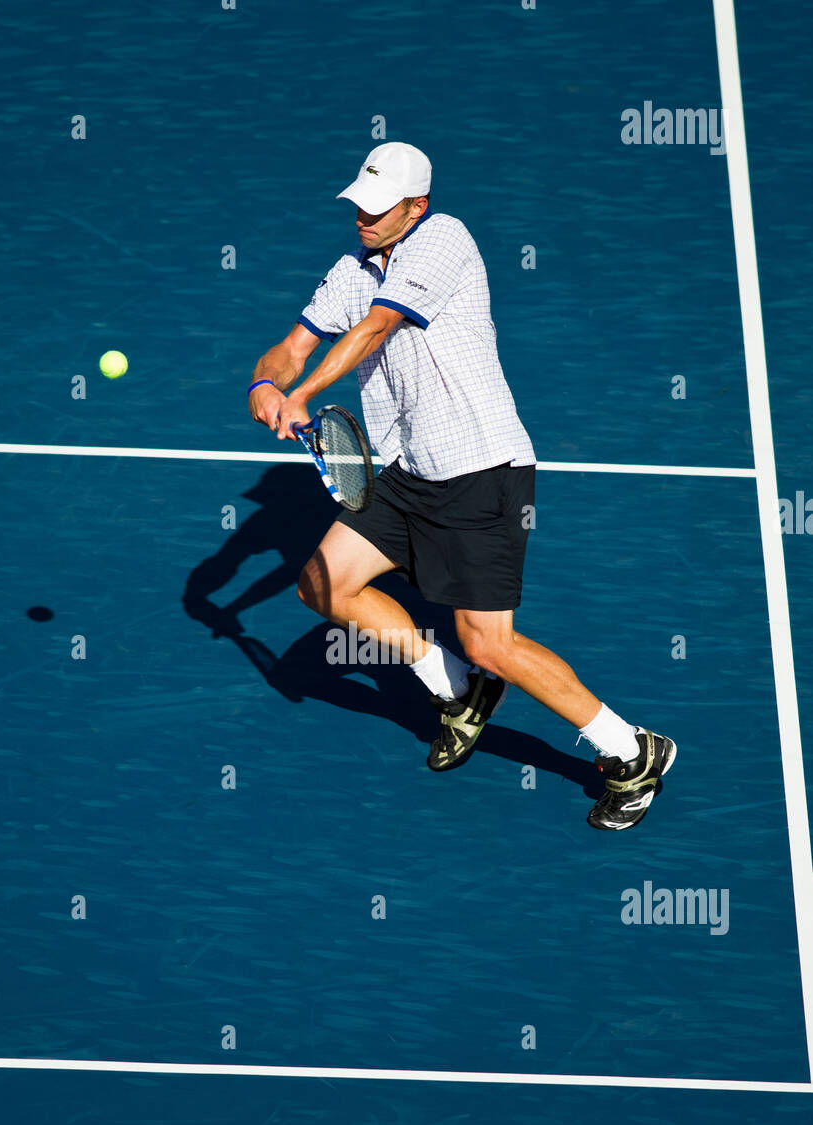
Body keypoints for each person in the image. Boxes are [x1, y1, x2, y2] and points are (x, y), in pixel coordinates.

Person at [248, 142, 676, 829]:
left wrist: (302, 393)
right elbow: (294, 344)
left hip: (481, 474)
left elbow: (376, 327)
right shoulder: (350, 269)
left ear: (416, 207)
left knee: (492, 644)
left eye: (376, 209)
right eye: (357, 203)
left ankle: (632, 751)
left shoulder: (444, 241)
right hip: (408, 471)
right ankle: (457, 689)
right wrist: (266, 382)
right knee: (324, 585)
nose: (361, 217)